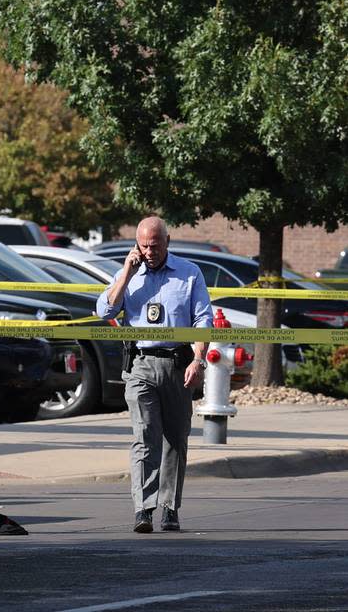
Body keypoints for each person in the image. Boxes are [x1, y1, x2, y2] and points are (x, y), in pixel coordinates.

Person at [96, 216, 212, 534]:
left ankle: (169, 507)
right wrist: (125, 273)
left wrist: (198, 360)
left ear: (168, 241)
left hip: (177, 364)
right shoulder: (129, 274)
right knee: (145, 437)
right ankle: (143, 509)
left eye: (155, 245)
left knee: (176, 438)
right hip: (140, 365)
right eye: (144, 245)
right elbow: (104, 311)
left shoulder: (189, 274)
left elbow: (203, 319)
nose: (150, 251)